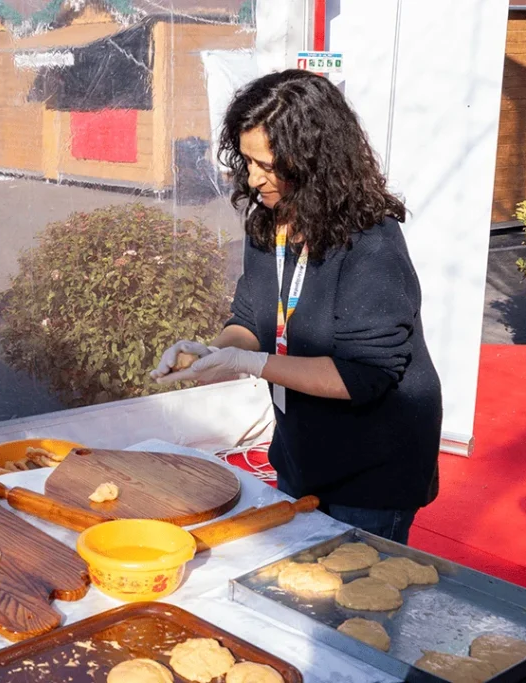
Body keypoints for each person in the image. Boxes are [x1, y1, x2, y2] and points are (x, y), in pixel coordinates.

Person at [152, 70, 442, 544]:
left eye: (266, 165)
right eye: (246, 161)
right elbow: (250, 318)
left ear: (313, 162)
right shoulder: (271, 222)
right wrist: (213, 353)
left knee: (352, 604)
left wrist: (254, 363)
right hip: (302, 450)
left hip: (374, 466)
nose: (252, 178)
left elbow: (365, 376)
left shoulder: (373, 243)